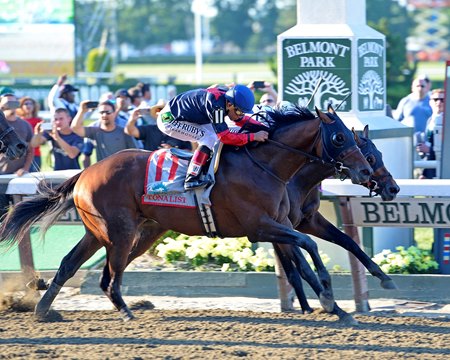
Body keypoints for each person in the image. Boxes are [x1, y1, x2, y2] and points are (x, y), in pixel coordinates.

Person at [156, 84, 269, 190]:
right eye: (239, 112)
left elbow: (241, 121)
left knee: (214, 135)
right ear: (229, 105)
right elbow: (225, 137)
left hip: (184, 114)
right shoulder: (217, 107)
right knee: (209, 138)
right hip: (169, 120)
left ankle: (204, 165)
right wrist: (253, 136)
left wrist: (264, 128)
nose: (241, 115)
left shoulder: (227, 101)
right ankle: (191, 178)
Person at [71, 100, 138, 163]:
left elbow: (135, 153)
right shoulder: (95, 131)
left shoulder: (124, 132)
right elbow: (75, 128)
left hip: (122, 171)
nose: (104, 115)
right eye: (101, 112)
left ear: (114, 114)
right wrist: (82, 111)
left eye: (107, 112)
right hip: (103, 173)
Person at [0, 92, 34, 217]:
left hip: (20, 177)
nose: (11, 106)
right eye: (7, 103)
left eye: (14, 102)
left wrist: (24, 169)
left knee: (21, 216)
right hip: (1, 176)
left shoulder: (25, 124)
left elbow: (31, 149)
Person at [416, 88, 445, 179]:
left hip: (444, 169)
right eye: (435, 99)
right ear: (430, 102)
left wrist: (429, 149)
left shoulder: (447, 121)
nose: (439, 102)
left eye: (442, 100)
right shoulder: (430, 120)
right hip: (431, 167)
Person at [16, 97, 43, 172]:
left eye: (31, 103)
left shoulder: (39, 121)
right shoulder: (18, 121)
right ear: (21, 107)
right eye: (26, 103)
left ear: (34, 106)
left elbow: (42, 139)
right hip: (21, 156)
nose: (28, 105)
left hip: (36, 155)